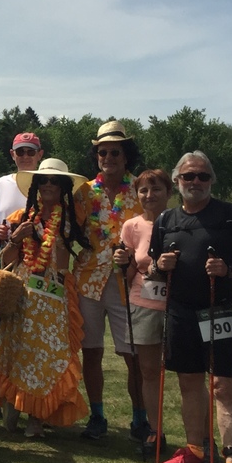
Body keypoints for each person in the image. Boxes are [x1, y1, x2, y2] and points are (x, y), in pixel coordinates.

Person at [149, 151, 232, 463]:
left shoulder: (231, 215)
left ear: (212, 180)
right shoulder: (166, 219)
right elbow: (152, 266)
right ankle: (195, 450)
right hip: (179, 311)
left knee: (222, 387)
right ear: (177, 181)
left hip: (219, 310)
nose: (195, 182)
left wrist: (231, 270)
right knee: (189, 383)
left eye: (202, 176)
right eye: (188, 176)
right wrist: (160, 265)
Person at [0, 159, 91, 437]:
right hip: (24, 295)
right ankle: (14, 407)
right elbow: (6, 259)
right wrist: (16, 238)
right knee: (18, 351)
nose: (48, 185)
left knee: (47, 356)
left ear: (63, 186)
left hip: (54, 295)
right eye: (43, 180)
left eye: (54, 181)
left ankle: (37, 418)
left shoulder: (72, 218)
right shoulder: (22, 216)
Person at [75, 121, 145, 441]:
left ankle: (140, 419)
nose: (108, 158)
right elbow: (70, 230)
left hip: (127, 282)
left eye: (115, 152)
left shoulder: (141, 189)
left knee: (134, 356)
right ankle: (97, 416)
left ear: (126, 155)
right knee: (91, 352)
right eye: (102, 152)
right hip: (88, 281)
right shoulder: (85, 191)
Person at [0, 132, 44, 422]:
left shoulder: (48, 182)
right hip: (5, 267)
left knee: (34, 337)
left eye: (30, 151)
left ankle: (33, 403)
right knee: (0, 336)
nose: (25, 156)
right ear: (12, 154)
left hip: (40, 269)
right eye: (21, 151)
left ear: (39, 154)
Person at [115, 168, 174, 455]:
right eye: (143, 190)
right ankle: (155, 431)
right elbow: (127, 273)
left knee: (189, 374)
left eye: (157, 189)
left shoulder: (179, 221)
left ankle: (200, 439)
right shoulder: (131, 226)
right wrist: (122, 262)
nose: (150, 195)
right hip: (143, 302)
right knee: (148, 371)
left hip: (178, 305)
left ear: (169, 192)